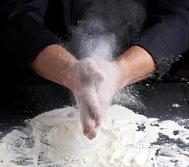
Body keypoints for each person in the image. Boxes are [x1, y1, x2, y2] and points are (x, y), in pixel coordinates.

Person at [0, 0, 189, 140]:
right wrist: (69, 71)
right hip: (45, 82)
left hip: (152, 85)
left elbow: (182, 16)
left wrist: (120, 72)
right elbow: (18, 16)